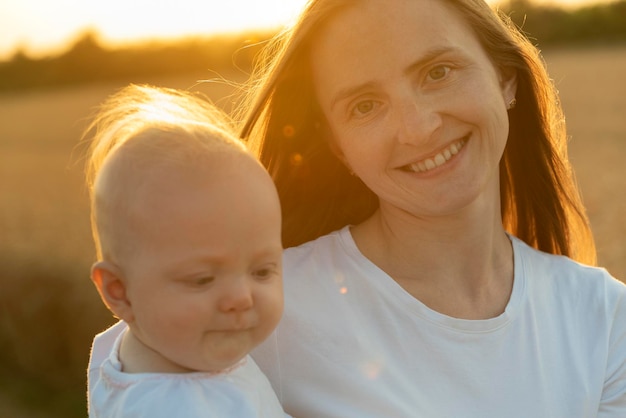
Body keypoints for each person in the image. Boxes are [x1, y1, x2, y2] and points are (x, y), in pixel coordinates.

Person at [238, 0, 626, 416]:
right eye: (365, 105)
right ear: (339, 147)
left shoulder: (604, 318)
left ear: (505, 77)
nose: (418, 128)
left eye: (437, 73)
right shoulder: (264, 312)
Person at [84, 84, 289, 417]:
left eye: (262, 271)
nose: (241, 298)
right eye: (202, 279)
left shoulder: (149, 343)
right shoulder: (176, 407)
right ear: (118, 291)